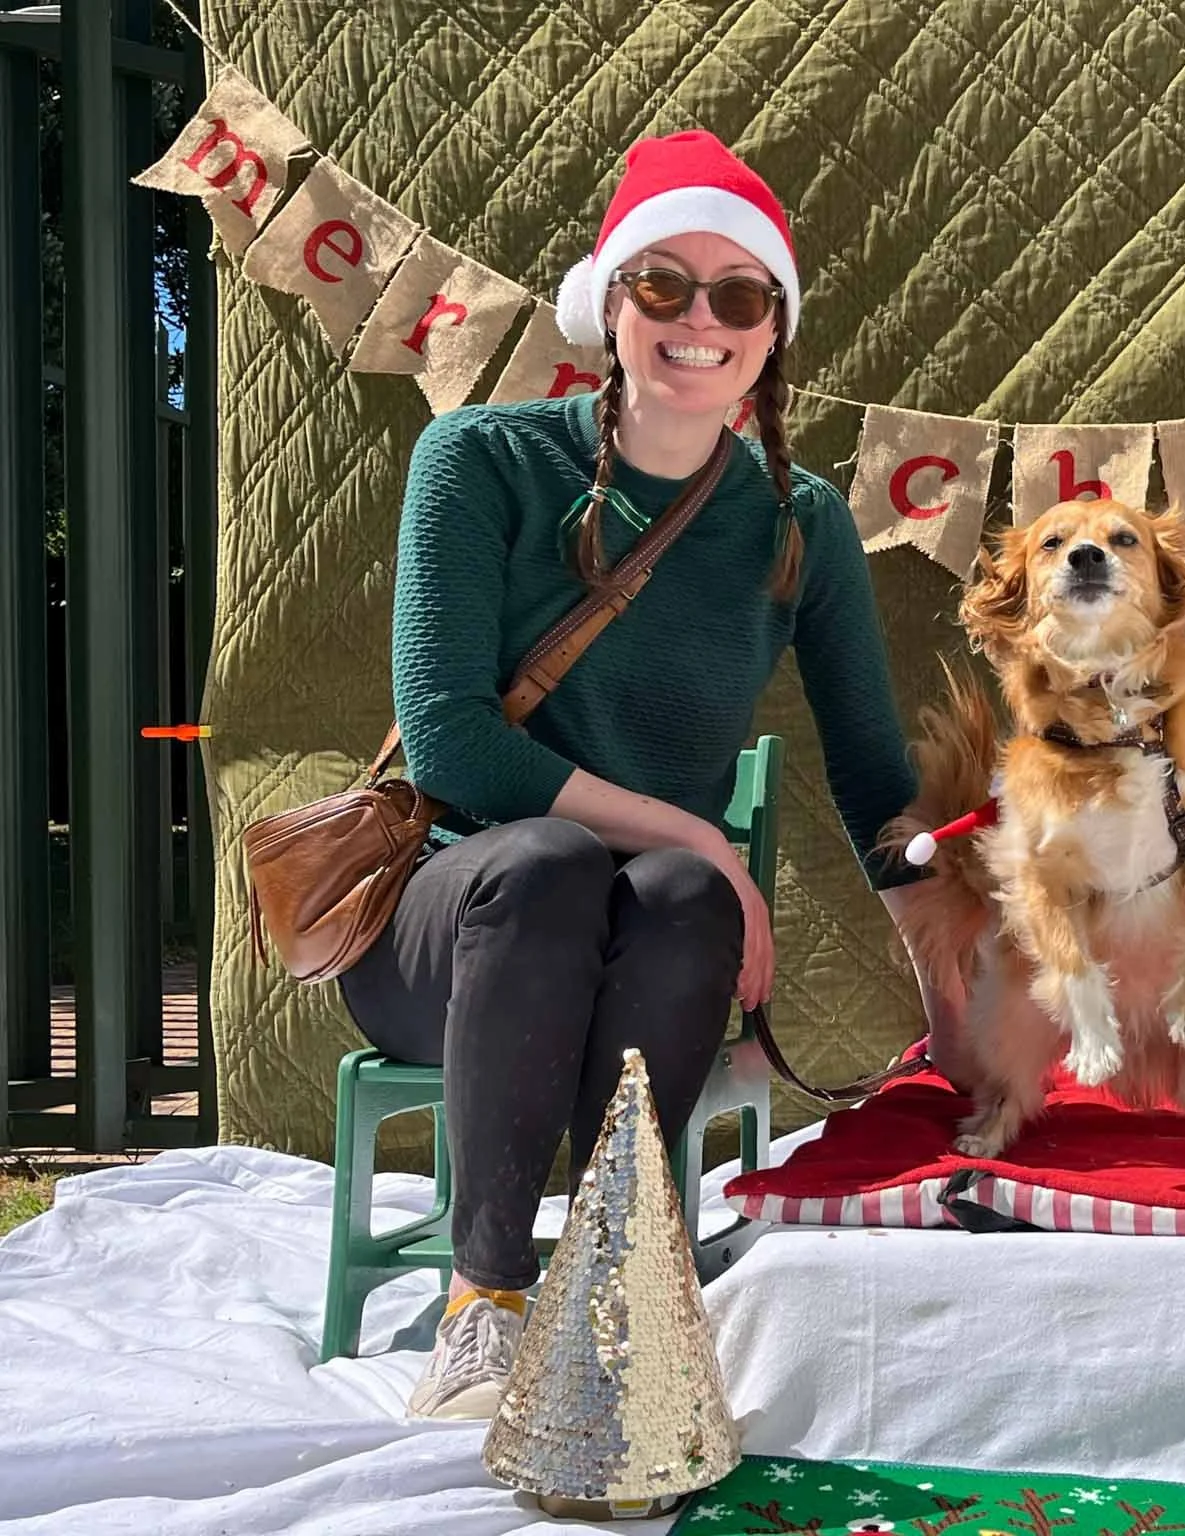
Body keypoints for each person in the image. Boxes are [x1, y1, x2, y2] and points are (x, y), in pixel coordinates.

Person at [338, 129, 945, 1420]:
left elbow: (871, 767)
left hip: (645, 948)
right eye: (663, 284)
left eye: (739, 295)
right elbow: (452, 742)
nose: (698, 322)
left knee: (679, 897)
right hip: (446, 936)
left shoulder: (801, 520)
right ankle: (487, 1307)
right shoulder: (481, 462)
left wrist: (954, 997)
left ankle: (614, 1283)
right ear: (608, 302)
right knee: (568, 862)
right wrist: (701, 831)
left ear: (773, 329)